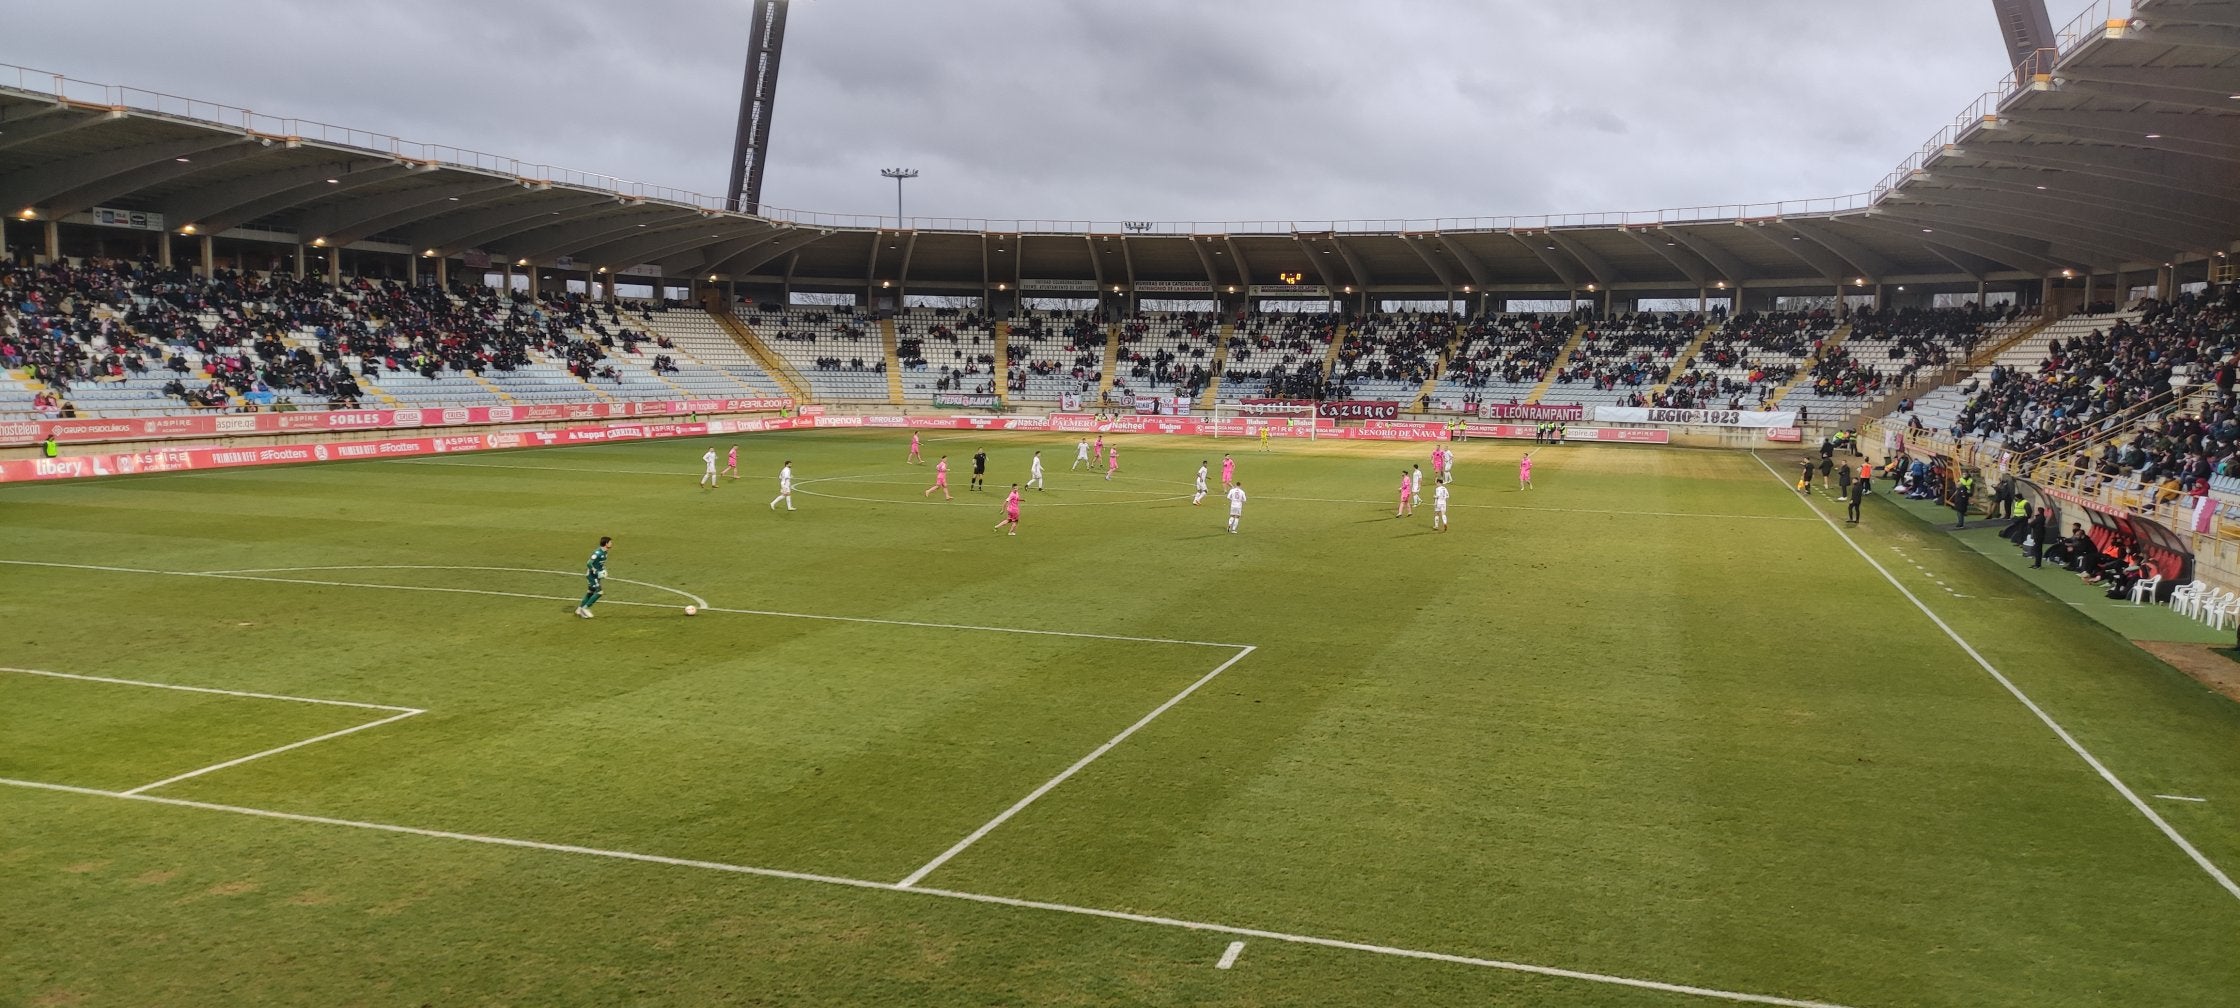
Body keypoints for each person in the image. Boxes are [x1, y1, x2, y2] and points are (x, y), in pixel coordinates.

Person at [575, 536, 612, 619]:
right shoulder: (598, 553)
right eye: (610, 542)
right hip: (592, 575)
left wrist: (604, 570)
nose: (611, 544)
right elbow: (589, 563)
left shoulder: (605, 552)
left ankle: (579, 609)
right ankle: (585, 609)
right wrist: (596, 571)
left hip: (596, 575)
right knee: (599, 592)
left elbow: (600, 564)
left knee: (590, 592)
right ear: (606, 544)